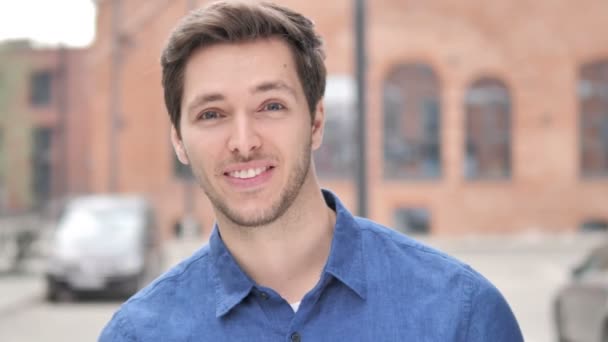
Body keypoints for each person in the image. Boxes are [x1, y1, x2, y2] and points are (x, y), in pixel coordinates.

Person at [100, 1, 524, 341]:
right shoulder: (138, 334)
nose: (244, 141)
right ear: (178, 140)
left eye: (271, 106)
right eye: (212, 114)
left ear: (316, 122)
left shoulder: (460, 315)